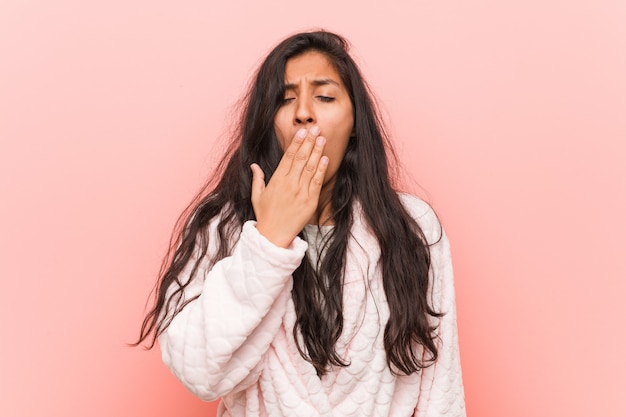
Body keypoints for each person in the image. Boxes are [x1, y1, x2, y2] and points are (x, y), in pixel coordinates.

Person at [136, 30, 466, 417]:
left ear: (356, 122)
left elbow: (439, 390)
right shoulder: (222, 224)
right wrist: (269, 240)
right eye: (285, 99)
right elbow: (199, 375)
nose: (304, 112)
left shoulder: (412, 228)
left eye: (324, 97)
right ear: (267, 120)